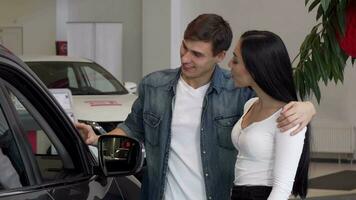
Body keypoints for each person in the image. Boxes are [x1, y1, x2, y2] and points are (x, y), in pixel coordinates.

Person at [76, 14, 315, 200]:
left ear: (220, 56)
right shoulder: (154, 86)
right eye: (184, 47)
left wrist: (308, 108)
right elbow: (131, 130)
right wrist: (98, 138)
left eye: (197, 54)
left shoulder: (239, 92)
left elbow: (274, 101)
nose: (185, 58)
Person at [229, 30, 310, 200]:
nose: (230, 64)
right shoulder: (250, 104)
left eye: (236, 60)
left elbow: (282, 188)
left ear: (255, 69)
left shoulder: (289, 117)